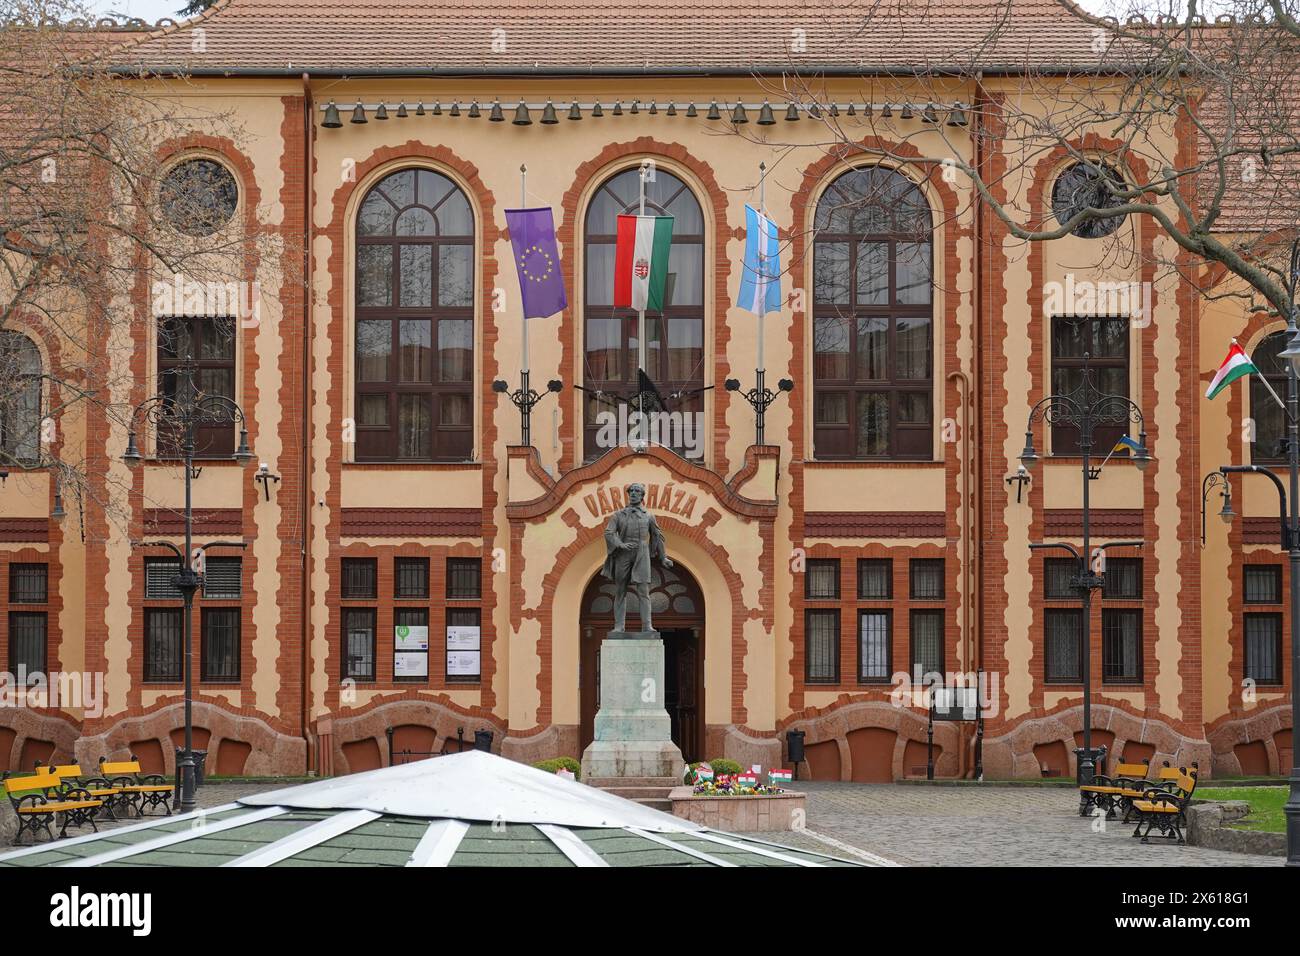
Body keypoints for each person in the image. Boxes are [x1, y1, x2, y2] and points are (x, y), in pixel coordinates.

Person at [601, 483, 674, 633]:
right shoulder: (618, 515)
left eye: (637, 491)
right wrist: (620, 544)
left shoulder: (649, 516)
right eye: (631, 491)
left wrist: (663, 557)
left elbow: (657, 536)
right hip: (623, 553)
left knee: (643, 590)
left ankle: (647, 626)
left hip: (642, 552)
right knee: (620, 590)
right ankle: (619, 626)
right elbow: (609, 533)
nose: (633, 493)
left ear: (642, 495)